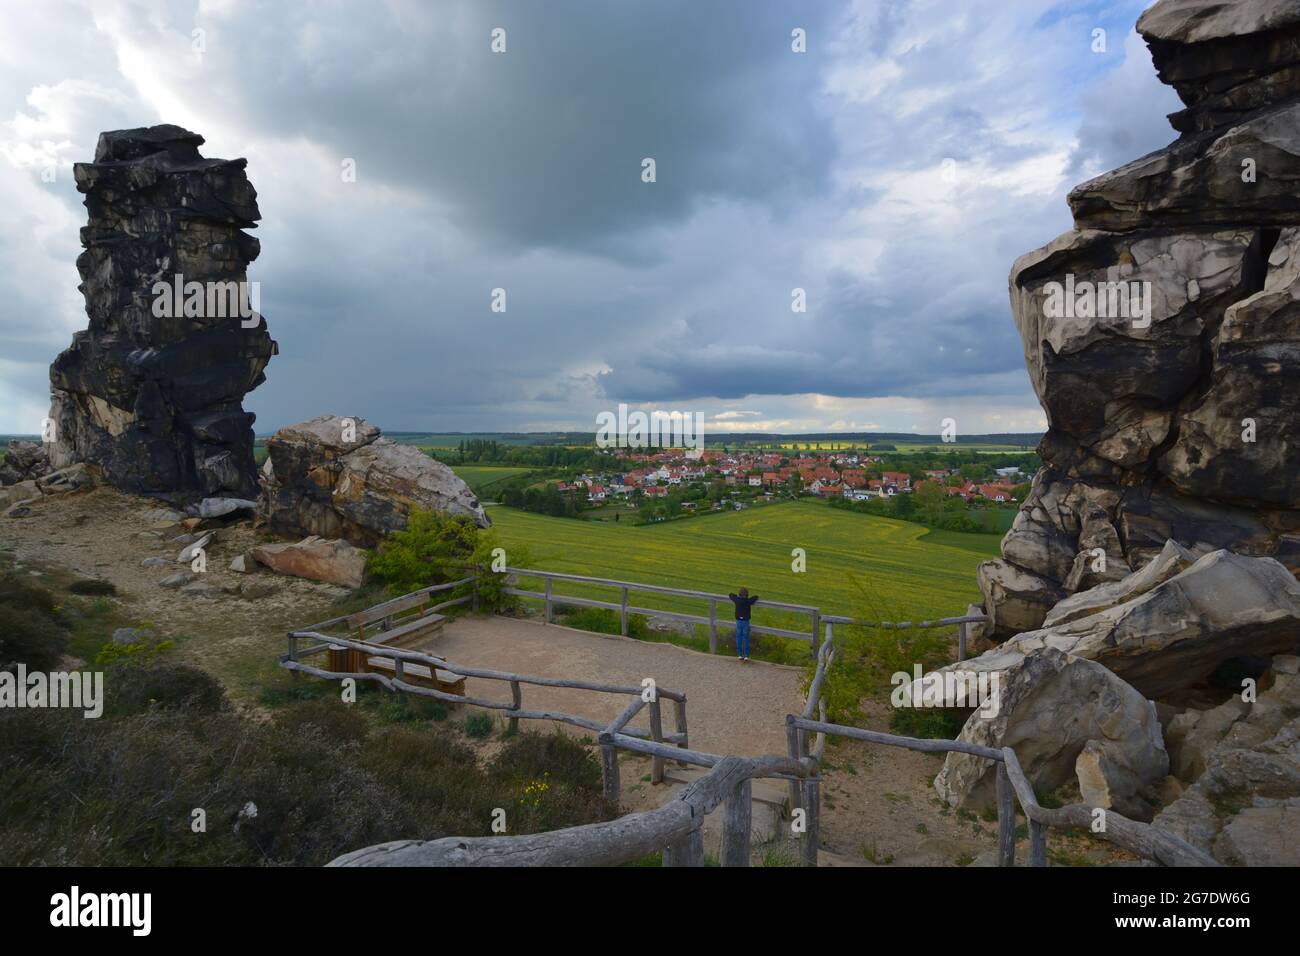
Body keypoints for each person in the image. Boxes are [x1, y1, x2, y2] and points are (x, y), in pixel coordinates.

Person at [728, 586, 759, 661]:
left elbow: (730, 595)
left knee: (738, 637)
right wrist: (754, 597)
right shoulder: (748, 601)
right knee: (746, 638)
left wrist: (736, 596)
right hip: (746, 621)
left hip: (738, 621)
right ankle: (746, 656)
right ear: (747, 595)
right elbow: (755, 597)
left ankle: (739, 654)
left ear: (739, 594)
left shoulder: (737, 600)